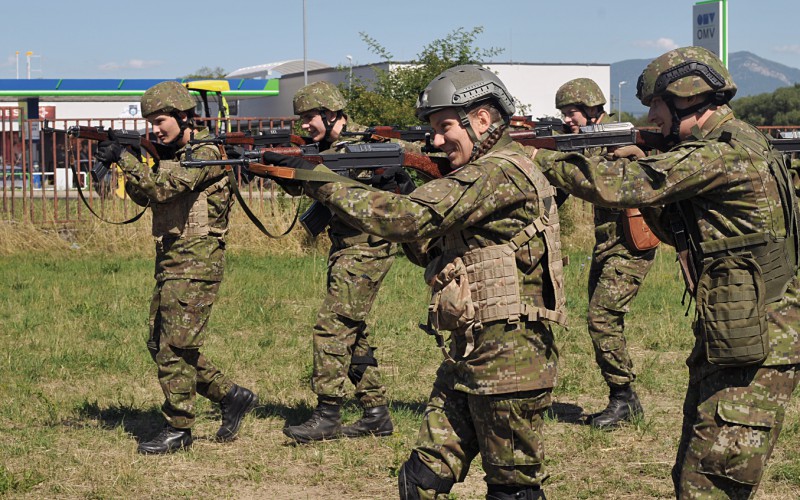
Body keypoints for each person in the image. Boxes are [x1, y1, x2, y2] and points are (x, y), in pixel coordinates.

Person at [263, 65, 566, 500]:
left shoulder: (498, 172)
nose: (436, 141)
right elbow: (426, 250)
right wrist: (401, 189)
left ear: (481, 119)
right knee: (420, 479)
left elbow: (407, 218)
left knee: (512, 491)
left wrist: (320, 182)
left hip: (510, 364)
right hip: (469, 352)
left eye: (444, 128)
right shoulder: (477, 175)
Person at [533, 46, 800, 498]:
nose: (651, 116)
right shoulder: (742, 140)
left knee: (708, 485)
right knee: (693, 476)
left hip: (756, 339)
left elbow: (621, 187)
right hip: (741, 329)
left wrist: (535, 158)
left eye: (656, 103)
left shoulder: (719, 154)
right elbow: (678, 229)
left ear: (687, 97)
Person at [95, 81, 258, 455]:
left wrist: (126, 158)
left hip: (197, 263)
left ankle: (179, 428)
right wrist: (126, 163)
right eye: (150, 122)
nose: (155, 129)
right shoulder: (173, 155)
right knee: (159, 343)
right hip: (170, 260)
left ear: (184, 116)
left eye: (160, 121)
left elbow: (164, 189)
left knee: (174, 347)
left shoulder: (206, 153)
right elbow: (145, 195)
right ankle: (231, 396)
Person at [282, 81, 409, 443]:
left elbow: (347, 190)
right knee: (353, 331)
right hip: (345, 248)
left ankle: (328, 414)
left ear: (331, 113)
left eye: (310, 117)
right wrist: (280, 167)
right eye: (302, 118)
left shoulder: (365, 146)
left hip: (367, 249)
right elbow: (308, 185)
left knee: (333, 327)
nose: (304, 124)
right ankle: (376, 413)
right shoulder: (326, 149)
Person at [555, 78, 656, 429]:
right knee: (601, 319)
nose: (567, 119)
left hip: (630, 247)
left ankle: (624, 398)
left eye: (572, 112)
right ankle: (624, 398)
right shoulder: (588, 143)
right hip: (606, 247)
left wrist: (636, 157)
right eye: (563, 113)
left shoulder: (620, 138)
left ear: (592, 109)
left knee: (601, 318)